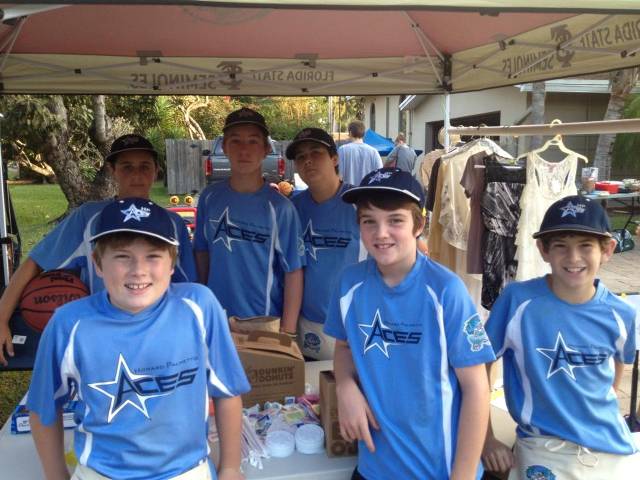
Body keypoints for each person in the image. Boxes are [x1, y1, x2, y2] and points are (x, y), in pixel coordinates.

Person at [27, 197, 249, 480]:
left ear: (172, 264)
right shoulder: (69, 324)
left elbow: (227, 390)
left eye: (153, 256)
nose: (138, 270)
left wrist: (230, 466)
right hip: (102, 473)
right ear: (97, 263)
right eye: (122, 256)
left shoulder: (200, 307)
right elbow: (44, 407)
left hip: (187, 471)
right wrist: (55, 475)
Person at [324, 167, 495, 479]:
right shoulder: (349, 284)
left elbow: (476, 388)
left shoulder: (446, 291)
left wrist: (463, 474)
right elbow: (344, 347)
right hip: (374, 467)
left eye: (395, 220)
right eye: (369, 221)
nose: (381, 233)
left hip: (438, 470)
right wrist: (346, 388)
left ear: (419, 225)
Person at [0, 134, 196, 366]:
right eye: (126, 167)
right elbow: (35, 262)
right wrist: (1, 319)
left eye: (145, 166)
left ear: (156, 171)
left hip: (157, 337)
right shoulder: (88, 217)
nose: (136, 174)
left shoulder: (172, 223)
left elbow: (188, 286)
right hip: (100, 339)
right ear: (112, 171)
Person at [482, 195, 639, 479]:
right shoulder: (518, 302)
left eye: (585, 245)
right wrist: (486, 438)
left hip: (611, 446)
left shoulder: (621, 313)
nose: (573, 258)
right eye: (560, 246)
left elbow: (618, 364)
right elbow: (480, 367)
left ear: (607, 249)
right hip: (544, 448)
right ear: (543, 250)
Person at [194, 107, 304, 336]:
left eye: (253, 141)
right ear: (224, 147)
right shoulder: (209, 198)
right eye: (235, 141)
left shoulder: (280, 208)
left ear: (266, 149)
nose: (244, 150)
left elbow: (293, 271)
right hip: (216, 319)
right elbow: (202, 253)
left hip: (263, 323)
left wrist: (288, 332)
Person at [286, 127, 366, 360]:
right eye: (300, 156)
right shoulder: (291, 208)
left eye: (316, 152)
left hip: (354, 326)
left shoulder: (361, 204)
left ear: (335, 158)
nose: (308, 160)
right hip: (306, 326)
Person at [338, 120, 383, 186]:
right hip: (367, 191)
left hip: (348, 191)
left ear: (350, 133)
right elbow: (380, 175)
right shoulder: (374, 152)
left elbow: (339, 176)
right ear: (363, 134)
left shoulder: (342, 150)